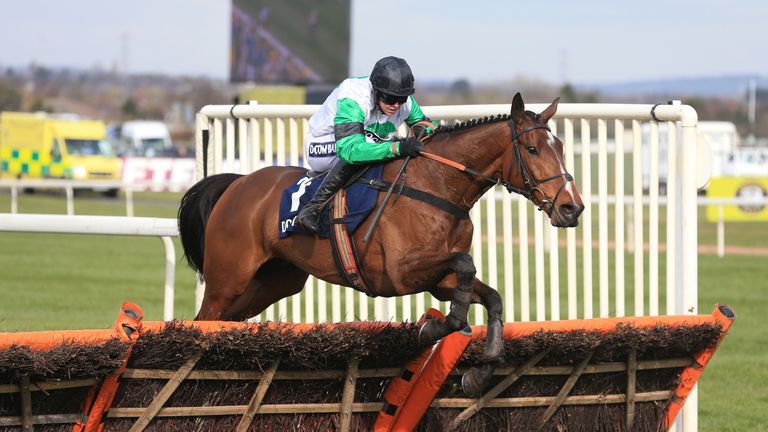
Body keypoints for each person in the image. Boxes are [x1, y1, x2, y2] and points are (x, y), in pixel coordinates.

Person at [296, 56, 438, 234]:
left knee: (386, 145)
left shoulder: (403, 101)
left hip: (363, 141)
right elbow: (350, 150)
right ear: (376, 90)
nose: (396, 105)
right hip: (323, 145)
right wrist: (398, 147)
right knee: (382, 145)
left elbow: (427, 127)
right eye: (390, 98)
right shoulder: (354, 96)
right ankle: (313, 208)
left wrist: (433, 133)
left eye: (401, 99)